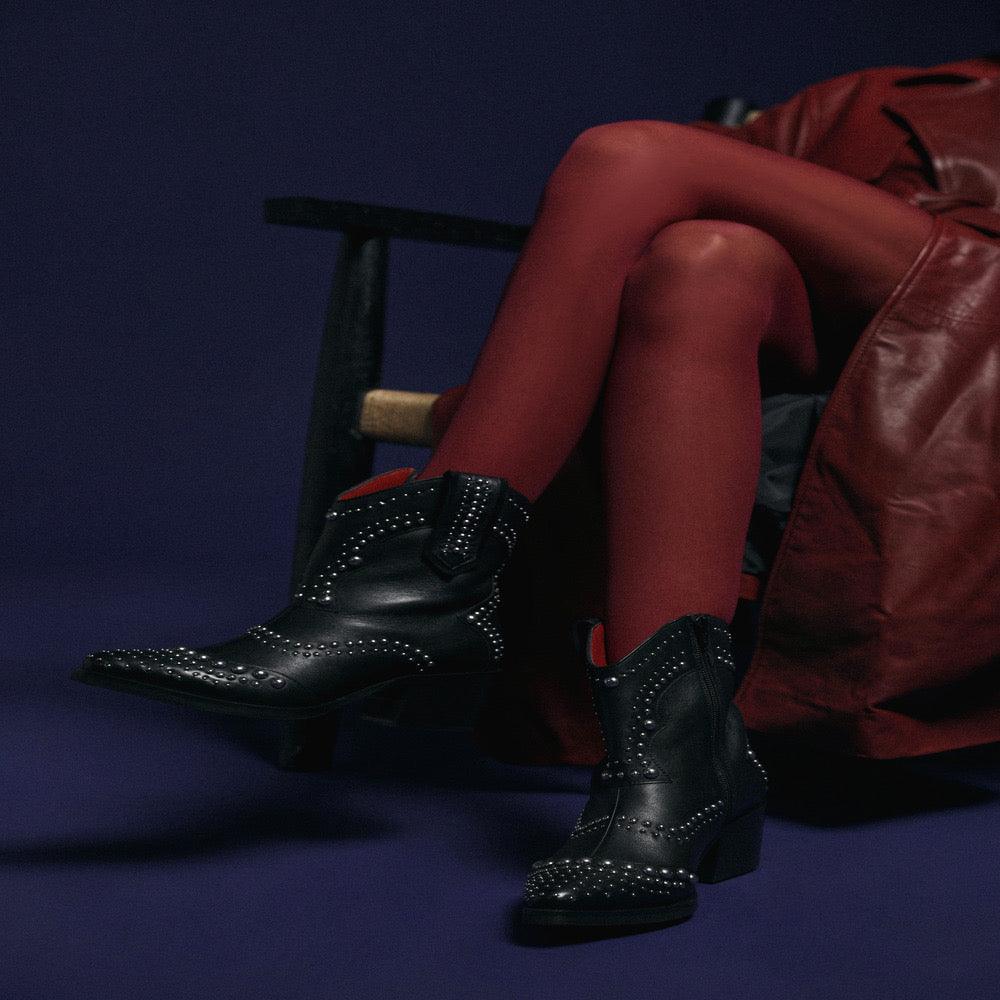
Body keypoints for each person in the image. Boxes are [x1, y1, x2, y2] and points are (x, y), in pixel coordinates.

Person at [73, 53, 1000, 929]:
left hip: (971, 336)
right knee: (702, 259)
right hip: (801, 328)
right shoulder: (877, 96)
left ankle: (418, 585)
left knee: (625, 153)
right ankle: (676, 772)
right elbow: (654, 212)